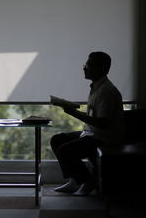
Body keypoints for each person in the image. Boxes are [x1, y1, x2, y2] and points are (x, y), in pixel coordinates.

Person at [50, 51, 124, 196]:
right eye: (86, 64)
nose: (84, 67)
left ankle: (88, 182)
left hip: (104, 138)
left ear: (101, 68)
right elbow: (95, 117)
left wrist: (74, 113)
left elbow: (103, 123)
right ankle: (74, 181)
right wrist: (73, 111)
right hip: (92, 133)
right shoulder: (96, 88)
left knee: (65, 150)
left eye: (89, 65)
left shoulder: (107, 92)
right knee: (57, 139)